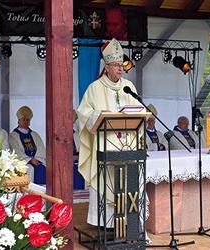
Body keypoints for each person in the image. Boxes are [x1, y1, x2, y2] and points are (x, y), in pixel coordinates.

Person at [77, 39, 142, 228]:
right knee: (105, 183)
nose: (120, 69)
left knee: (127, 183)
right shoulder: (94, 88)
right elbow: (84, 114)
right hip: (105, 145)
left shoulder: (129, 87)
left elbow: (138, 111)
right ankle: (104, 223)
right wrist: (99, 115)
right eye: (116, 65)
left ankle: (127, 223)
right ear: (106, 67)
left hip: (127, 146)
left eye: (122, 65)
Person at [9, 106, 46, 185]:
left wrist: (37, 159)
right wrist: (29, 159)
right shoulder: (13, 136)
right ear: (18, 121)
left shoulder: (34, 134)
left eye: (27, 120)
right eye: (23, 119)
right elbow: (15, 151)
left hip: (37, 162)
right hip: (23, 163)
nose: (25, 121)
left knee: (44, 168)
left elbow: (41, 148)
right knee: (30, 169)